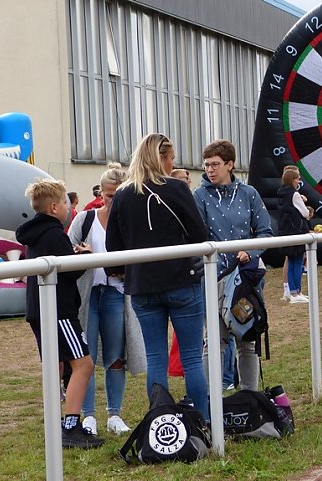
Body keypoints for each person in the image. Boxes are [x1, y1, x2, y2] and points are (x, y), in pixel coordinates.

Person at [106, 133, 211, 422]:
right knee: (191, 358)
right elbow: (200, 235)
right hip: (181, 280)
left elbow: (113, 246)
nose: (173, 163)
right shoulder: (177, 188)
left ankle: (161, 418)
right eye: (172, 158)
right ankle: (202, 421)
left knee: (156, 357)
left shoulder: (123, 195)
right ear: (162, 158)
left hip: (142, 285)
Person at [16, 178, 104, 449]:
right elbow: (71, 270)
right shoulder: (54, 233)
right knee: (83, 364)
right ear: (54, 207)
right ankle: (71, 426)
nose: (68, 207)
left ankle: (57, 425)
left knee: (58, 365)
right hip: (60, 311)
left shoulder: (36, 233)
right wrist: (85, 256)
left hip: (40, 309)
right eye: (66, 202)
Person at [194, 139, 273, 391]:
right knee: (213, 341)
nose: (210, 170)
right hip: (213, 278)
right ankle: (212, 401)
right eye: (206, 165)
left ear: (230, 164)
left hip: (245, 281)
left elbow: (266, 233)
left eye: (215, 164)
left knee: (247, 337)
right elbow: (195, 236)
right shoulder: (199, 196)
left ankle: (250, 396)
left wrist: (249, 251)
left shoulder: (249, 194)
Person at [68, 163, 139, 436]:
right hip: (87, 294)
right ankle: (88, 415)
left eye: (118, 195)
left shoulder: (130, 223)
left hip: (115, 293)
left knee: (115, 356)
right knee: (85, 356)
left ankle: (114, 414)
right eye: (109, 195)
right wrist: (80, 254)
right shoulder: (84, 219)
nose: (113, 201)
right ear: (101, 194)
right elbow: (65, 253)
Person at [277, 167, 313, 303]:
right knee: (297, 262)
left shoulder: (281, 193)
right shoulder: (294, 194)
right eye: (297, 178)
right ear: (292, 180)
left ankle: (292, 292)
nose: (299, 180)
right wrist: (303, 202)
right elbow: (305, 213)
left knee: (291, 261)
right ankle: (296, 292)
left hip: (285, 232)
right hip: (296, 232)